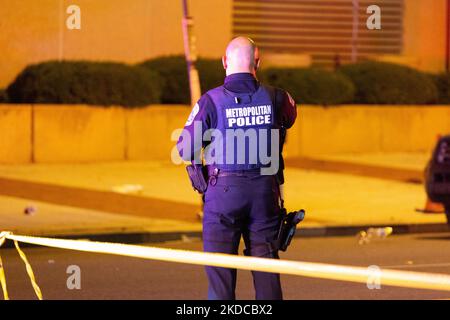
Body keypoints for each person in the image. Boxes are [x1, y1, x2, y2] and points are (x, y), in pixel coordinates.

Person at [177, 37, 297, 300]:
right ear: (258, 62)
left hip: (223, 194)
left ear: (224, 62)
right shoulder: (277, 97)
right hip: (265, 193)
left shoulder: (210, 101)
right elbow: (289, 119)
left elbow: (184, 149)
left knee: (221, 276)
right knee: (266, 270)